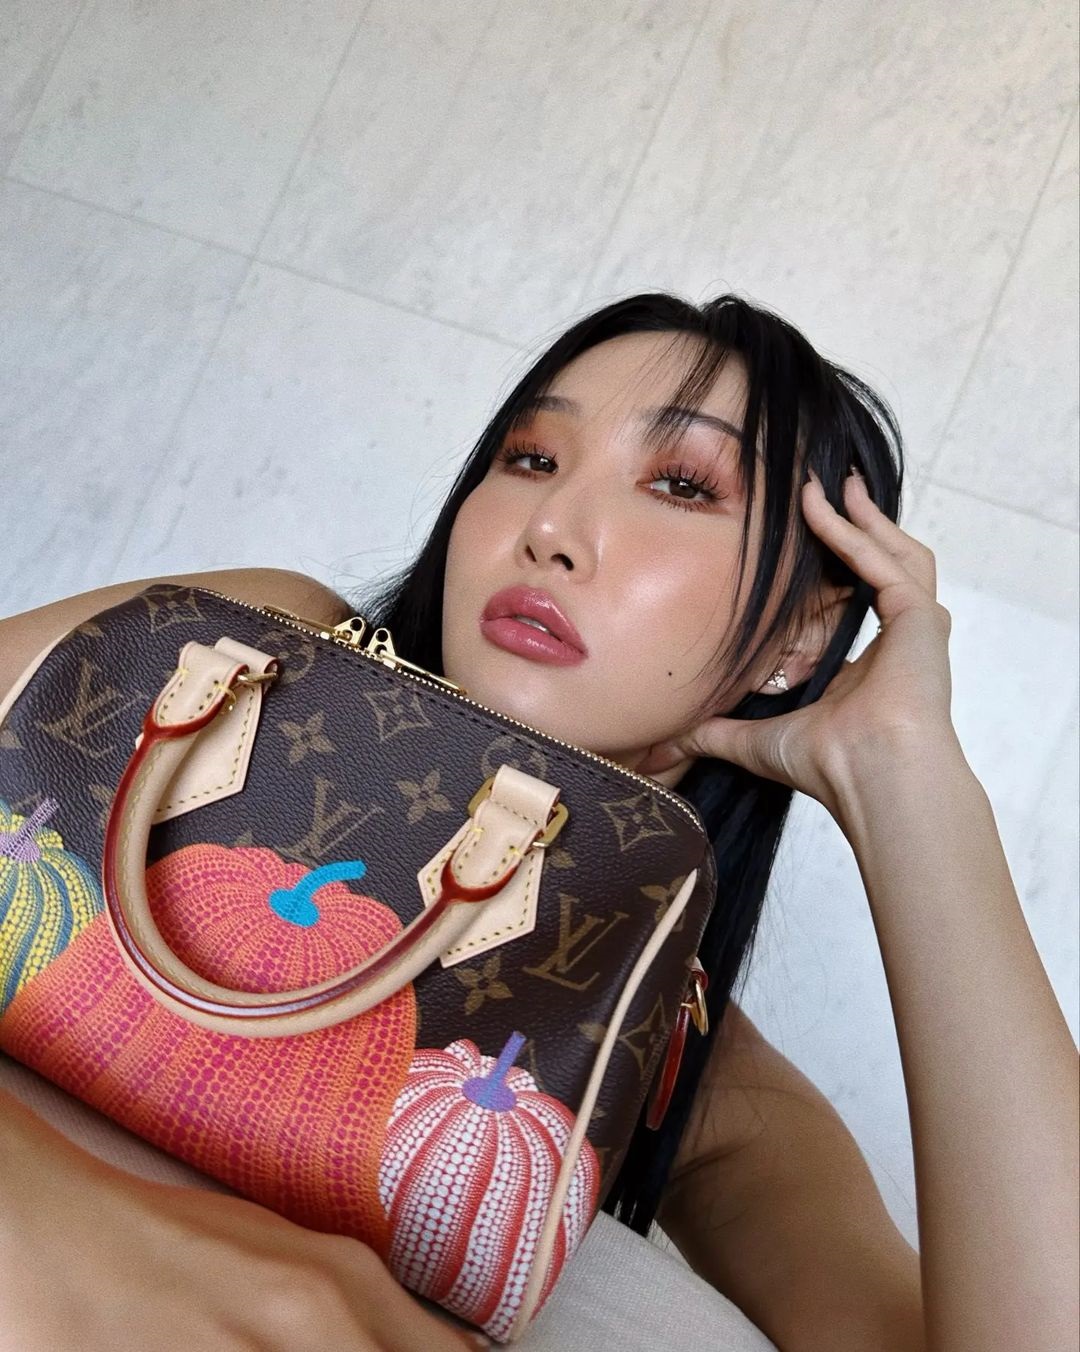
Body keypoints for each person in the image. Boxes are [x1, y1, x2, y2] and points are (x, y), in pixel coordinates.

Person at [0, 292, 1075, 1352]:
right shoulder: (243, 652)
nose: (551, 529)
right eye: (530, 457)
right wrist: (85, 1223)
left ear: (797, 637)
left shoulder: (682, 1058)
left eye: (681, 484)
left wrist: (906, 776)